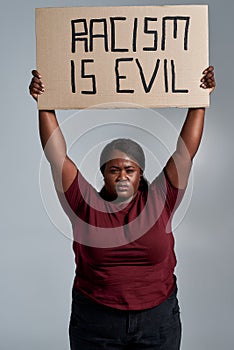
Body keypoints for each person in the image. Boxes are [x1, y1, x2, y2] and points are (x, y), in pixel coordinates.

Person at [29, 66, 215, 350]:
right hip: (96, 321)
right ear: (103, 174)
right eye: (114, 169)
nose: (122, 176)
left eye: (130, 169)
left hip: (157, 321)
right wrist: (45, 104)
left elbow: (184, 152)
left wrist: (200, 100)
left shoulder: (160, 200)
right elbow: (57, 157)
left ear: (141, 174)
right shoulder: (83, 205)